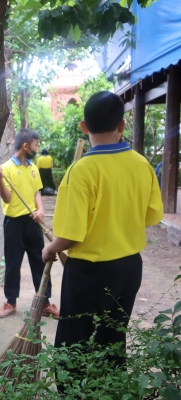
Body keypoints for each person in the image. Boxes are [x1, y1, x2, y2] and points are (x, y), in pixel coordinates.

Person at [42, 91, 163, 375]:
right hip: (129, 268)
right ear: (122, 125)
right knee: (112, 340)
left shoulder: (81, 171)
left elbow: (71, 235)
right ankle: (114, 389)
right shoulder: (142, 164)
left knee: (74, 345)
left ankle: (74, 392)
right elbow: (150, 216)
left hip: (89, 274)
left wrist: (49, 249)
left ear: (84, 126)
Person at [0, 128, 59, 319]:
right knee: (13, 263)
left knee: (40, 262)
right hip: (14, 223)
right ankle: (10, 302)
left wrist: (41, 210)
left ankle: (44, 303)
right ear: (25, 146)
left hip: (33, 221)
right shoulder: (6, 169)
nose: (37, 148)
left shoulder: (33, 168)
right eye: (35, 145)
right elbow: (7, 199)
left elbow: (37, 192)